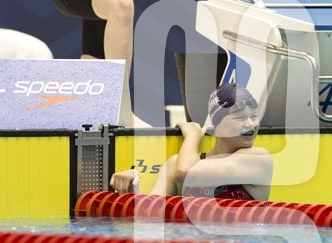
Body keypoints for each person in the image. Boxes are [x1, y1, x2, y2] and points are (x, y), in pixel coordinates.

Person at [110, 83, 274, 201]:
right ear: (217, 126)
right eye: (240, 118)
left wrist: (192, 137)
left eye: (254, 116)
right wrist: (131, 189)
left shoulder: (258, 159)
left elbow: (188, 174)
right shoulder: (174, 164)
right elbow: (148, 215)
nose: (251, 124)